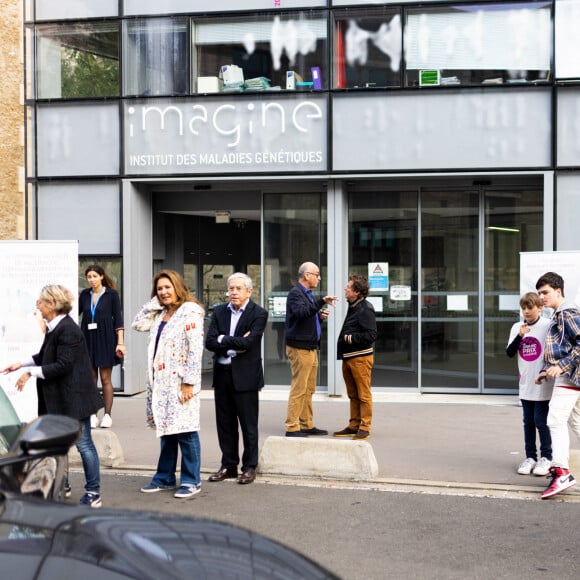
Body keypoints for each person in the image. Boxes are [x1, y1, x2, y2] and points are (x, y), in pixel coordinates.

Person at [1, 284, 103, 508]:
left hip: (75, 400)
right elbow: (46, 355)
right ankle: (62, 484)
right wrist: (21, 364)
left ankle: (94, 492)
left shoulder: (68, 330)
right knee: (58, 446)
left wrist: (29, 373)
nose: (37, 306)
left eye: (40, 302)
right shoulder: (54, 327)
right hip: (59, 399)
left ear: (52, 304)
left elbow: (63, 365)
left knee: (84, 445)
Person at [132, 269, 205, 499]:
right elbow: (137, 323)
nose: (164, 292)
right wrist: (155, 301)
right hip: (160, 383)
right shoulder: (159, 313)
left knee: (185, 430)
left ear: (178, 287)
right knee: (166, 431)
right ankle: (164, 477)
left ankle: (192, 480)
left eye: (167, 287)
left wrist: (189, 383)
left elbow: (195, 350)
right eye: (160, 288)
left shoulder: (190, 312)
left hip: (180, 382)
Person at [205, 273, 268, 485]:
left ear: (249, 291)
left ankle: (249, 466)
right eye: (231, 288)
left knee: (248, 425)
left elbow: (249, 344)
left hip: (246, 377)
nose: (233, 292)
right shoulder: (219, 311)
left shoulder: (258, 313)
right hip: (222, 375)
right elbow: (211, 342)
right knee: (225, 423)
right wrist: (233, 342)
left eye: (238, 288)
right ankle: (228, 465)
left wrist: (225, 339)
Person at [534, 271, 580, 499]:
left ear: (558, 291)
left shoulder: (566, 314)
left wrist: (561, 366)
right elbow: (561, 347)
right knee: (576, 422)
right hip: (571, 376)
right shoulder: (558, 315)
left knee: (555, 419)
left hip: (570, 376)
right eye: (539, 293)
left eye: (545, 292)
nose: (541, 297)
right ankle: (561, 471)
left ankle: (561, 471)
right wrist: (545, 370)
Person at [284, 262, 338, 437]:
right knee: (299, 388)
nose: (319, 277)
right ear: (307, 275)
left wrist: (319, 317)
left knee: (309, 389)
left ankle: (306, 423)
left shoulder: (306, 294)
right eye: (316, 274)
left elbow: (306, 316)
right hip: (299, 348)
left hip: (310, 347)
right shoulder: (295, 293)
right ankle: (292, 426)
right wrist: (321, 302)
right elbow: (301, 313)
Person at [506, 292, 553, 476]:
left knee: (541, 421)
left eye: (530, 307)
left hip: (542, 383)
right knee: (528, 422)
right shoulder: (517, 327)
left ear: (539, 308)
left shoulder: (547, 326)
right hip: (525, 383)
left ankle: (546, 457)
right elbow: (509, 353)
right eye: (523, 308)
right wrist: (519, 335)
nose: (526, 311)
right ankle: (530, 457)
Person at [79, 265, 126, 429]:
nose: (91, 279)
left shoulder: (112, 294)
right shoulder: (84, 295)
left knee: (105, 379)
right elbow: (75, 314)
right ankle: (92, 414)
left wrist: (120, 342)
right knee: (91, 380)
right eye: (89, 277)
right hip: (87, 339)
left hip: (106, 339)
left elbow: (118, 320)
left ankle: (107, 414)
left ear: (101, 277)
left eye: (94, 276)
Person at [333, 275, 377, 441]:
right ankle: (354, 425)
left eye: (349, 287)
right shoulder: (354, 306)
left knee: (363, 395)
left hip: (360, 359)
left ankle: (364, 427)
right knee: (352, 394)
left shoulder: (365, 308)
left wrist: (349, 338)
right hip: (349, 358)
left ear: (357, 292)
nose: (345, 288)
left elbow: (371, 334)